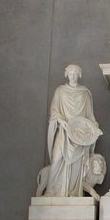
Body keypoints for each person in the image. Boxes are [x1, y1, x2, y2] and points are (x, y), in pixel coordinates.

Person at [44, 64, 102, 197]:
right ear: (66, 74)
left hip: (79, 134)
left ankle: (73, 191)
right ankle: (50, 190)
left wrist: (95, 129)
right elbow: (54, 111)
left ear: (80, 75)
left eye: (76, 73)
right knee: (57, 158)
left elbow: (89, 116)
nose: (73, 76)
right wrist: (60, 120)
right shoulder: (60, 91)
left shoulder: (84, 93)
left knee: (78, 164)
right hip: (64, 131)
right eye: (70, 73)